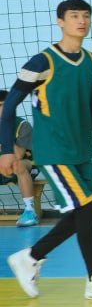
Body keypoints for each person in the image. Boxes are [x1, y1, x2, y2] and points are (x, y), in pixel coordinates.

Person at [3, 0, 92, 301]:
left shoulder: (91, 62)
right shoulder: (42, 62)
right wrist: (7, 149)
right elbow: (8, 106)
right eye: (74, 16)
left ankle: (30, 257)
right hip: (54, 151)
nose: (81, 21)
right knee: (85, 208)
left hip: (81, 150)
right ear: (60, 21)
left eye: (86, 16)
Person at [0, 90, 39, 226]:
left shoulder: (23, 125)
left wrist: (5, 128)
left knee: (18, 165)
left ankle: (29, 211)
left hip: (26, 166)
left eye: (1, 105)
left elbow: (17, 155)